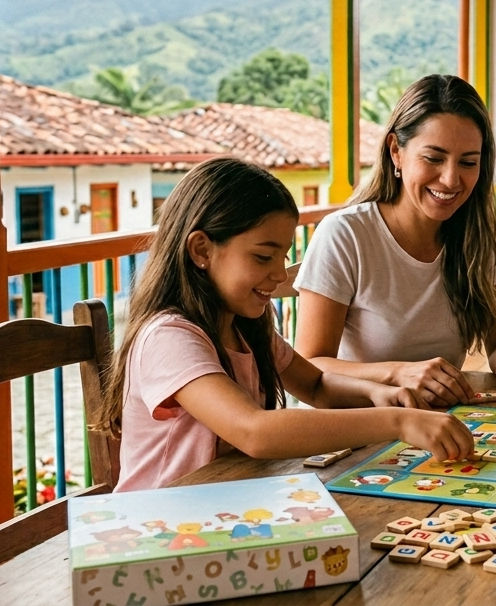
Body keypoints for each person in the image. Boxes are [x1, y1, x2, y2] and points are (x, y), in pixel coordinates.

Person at [97, 157, 474, 492]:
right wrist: (398, 422)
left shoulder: (247, 325)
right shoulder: (169, 337)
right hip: (161, 529)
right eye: (263, 257)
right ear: (201, 250)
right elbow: (254, 432)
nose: (279, 274)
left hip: (228, 511)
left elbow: (315, 383)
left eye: (283, 257)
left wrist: (375, 394)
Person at [294, 75, 496, 406]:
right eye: (434, 158)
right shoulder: (345, 234)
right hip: (352, 426)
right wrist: (398, 374)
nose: (451, 179)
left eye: (468, 162)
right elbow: (309, 365)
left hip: (433, 426)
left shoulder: (479, 234)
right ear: (396, 151)